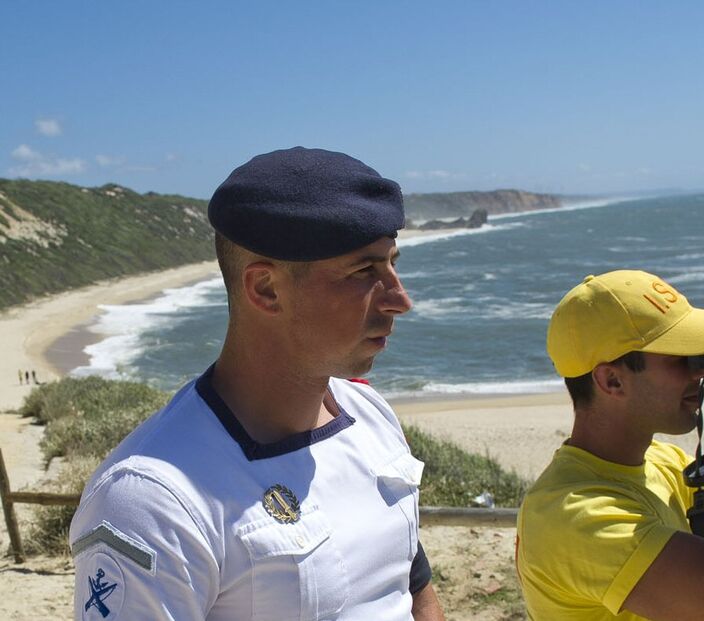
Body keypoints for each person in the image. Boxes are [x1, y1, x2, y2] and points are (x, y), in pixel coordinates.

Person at [70, 147, 445, 620]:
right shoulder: (151, 498)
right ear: (265, 289)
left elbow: (413, 587)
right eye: (364, 271)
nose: (399, 298)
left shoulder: (370, 415)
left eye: (392, 264)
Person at [516, 270, 704, 621]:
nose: (701, 373)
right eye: (681, 358)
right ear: (612, 379)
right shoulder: (574, 515)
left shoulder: (657, 463)